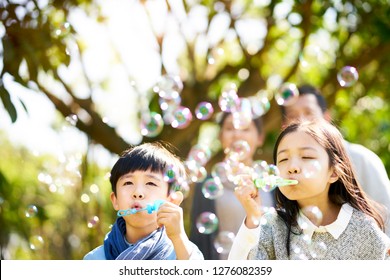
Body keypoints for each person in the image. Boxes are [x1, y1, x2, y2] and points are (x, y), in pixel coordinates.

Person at [229, 118, 390, 260]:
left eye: (306, 157)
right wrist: (253, 217)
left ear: (333, 172)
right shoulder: (272, 226)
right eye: (283, 159)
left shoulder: (364, 230)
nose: (292, 167)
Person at [280, 84, 390, 236]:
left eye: (309, 113)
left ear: (327, 117)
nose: (302, 121)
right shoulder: (285, 169)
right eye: (293, 115)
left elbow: (386, 214)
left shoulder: (363, 159)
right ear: (284, 126)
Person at [83, 142, 204, 260]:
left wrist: (178, 237)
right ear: (115, 200)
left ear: (172, 200)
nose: (138, 193)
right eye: (128, 182)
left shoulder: (183, 252)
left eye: (151, 183)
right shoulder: (95, 259)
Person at [189, 112, 276, 260]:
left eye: (245, 128)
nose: (237, 134)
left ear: (260, 138)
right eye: (230, 128)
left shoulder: (274, 183)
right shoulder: (206, 185)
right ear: (221, 136)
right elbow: (198, 240)